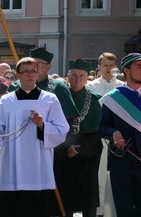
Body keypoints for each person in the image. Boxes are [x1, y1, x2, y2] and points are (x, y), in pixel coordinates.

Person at [0, 57, 70, 216]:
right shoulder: (7, 100)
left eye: (33, 71)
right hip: (12, 163)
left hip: (39, 164)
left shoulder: (49, 99)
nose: (30, 75)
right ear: (17, 74)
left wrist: (42, 125)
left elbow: (62, 130)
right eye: (26, 72)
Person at [54, 59, 103, 217]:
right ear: (68, 76)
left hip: (87, 154)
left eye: (81, 75)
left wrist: (80, 149)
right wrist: (66, 147)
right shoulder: (57, 97)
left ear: (88, 77)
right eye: (74, 75)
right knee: (65, 196)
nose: (77, 79)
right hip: (63, 152)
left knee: (87, 197)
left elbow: (98, 130)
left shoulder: (96, 99)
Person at [98, 53, 141, 217]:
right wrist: (113, 133)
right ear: (127, 71)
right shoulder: (114, 98)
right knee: (124, 210)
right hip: (122, 163)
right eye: (138, 66)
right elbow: (102, 127)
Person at [87, 52, 124, 217]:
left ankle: (115, 209)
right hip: (99, 136)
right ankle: (100, 210)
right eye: (105, 66)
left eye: (111, 65)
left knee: (118, 176)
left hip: (121, 138)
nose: (108, 69)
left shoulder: (123, 86)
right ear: (99, 67)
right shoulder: (91, 87)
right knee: (100, 174)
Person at [8, 47, 79, 120]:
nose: (34, 67)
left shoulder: (59, 87)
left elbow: (68, 118)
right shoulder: (15, 86)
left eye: (38, 64)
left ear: (48, 67)